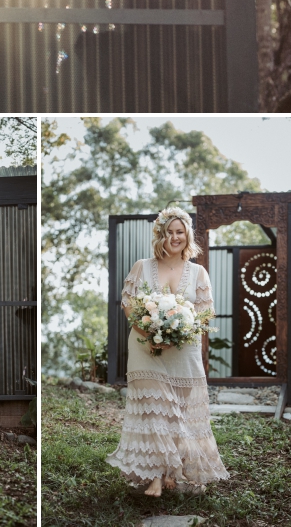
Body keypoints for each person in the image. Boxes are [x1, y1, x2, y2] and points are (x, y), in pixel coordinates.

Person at [107, 205, 229, 497]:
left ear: (187, 235)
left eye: (180, 232)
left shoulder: (198, 272)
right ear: (160, 235)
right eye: (169, 232)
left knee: (178, 414)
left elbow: (205, 314)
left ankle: (174, 471)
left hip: (183, 352)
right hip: (144, 348)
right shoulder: (141, 266)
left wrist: (178, 335)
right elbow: (128, 304)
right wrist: (150, 335)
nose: (175, 237)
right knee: (154, 413)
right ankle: (156, 478)